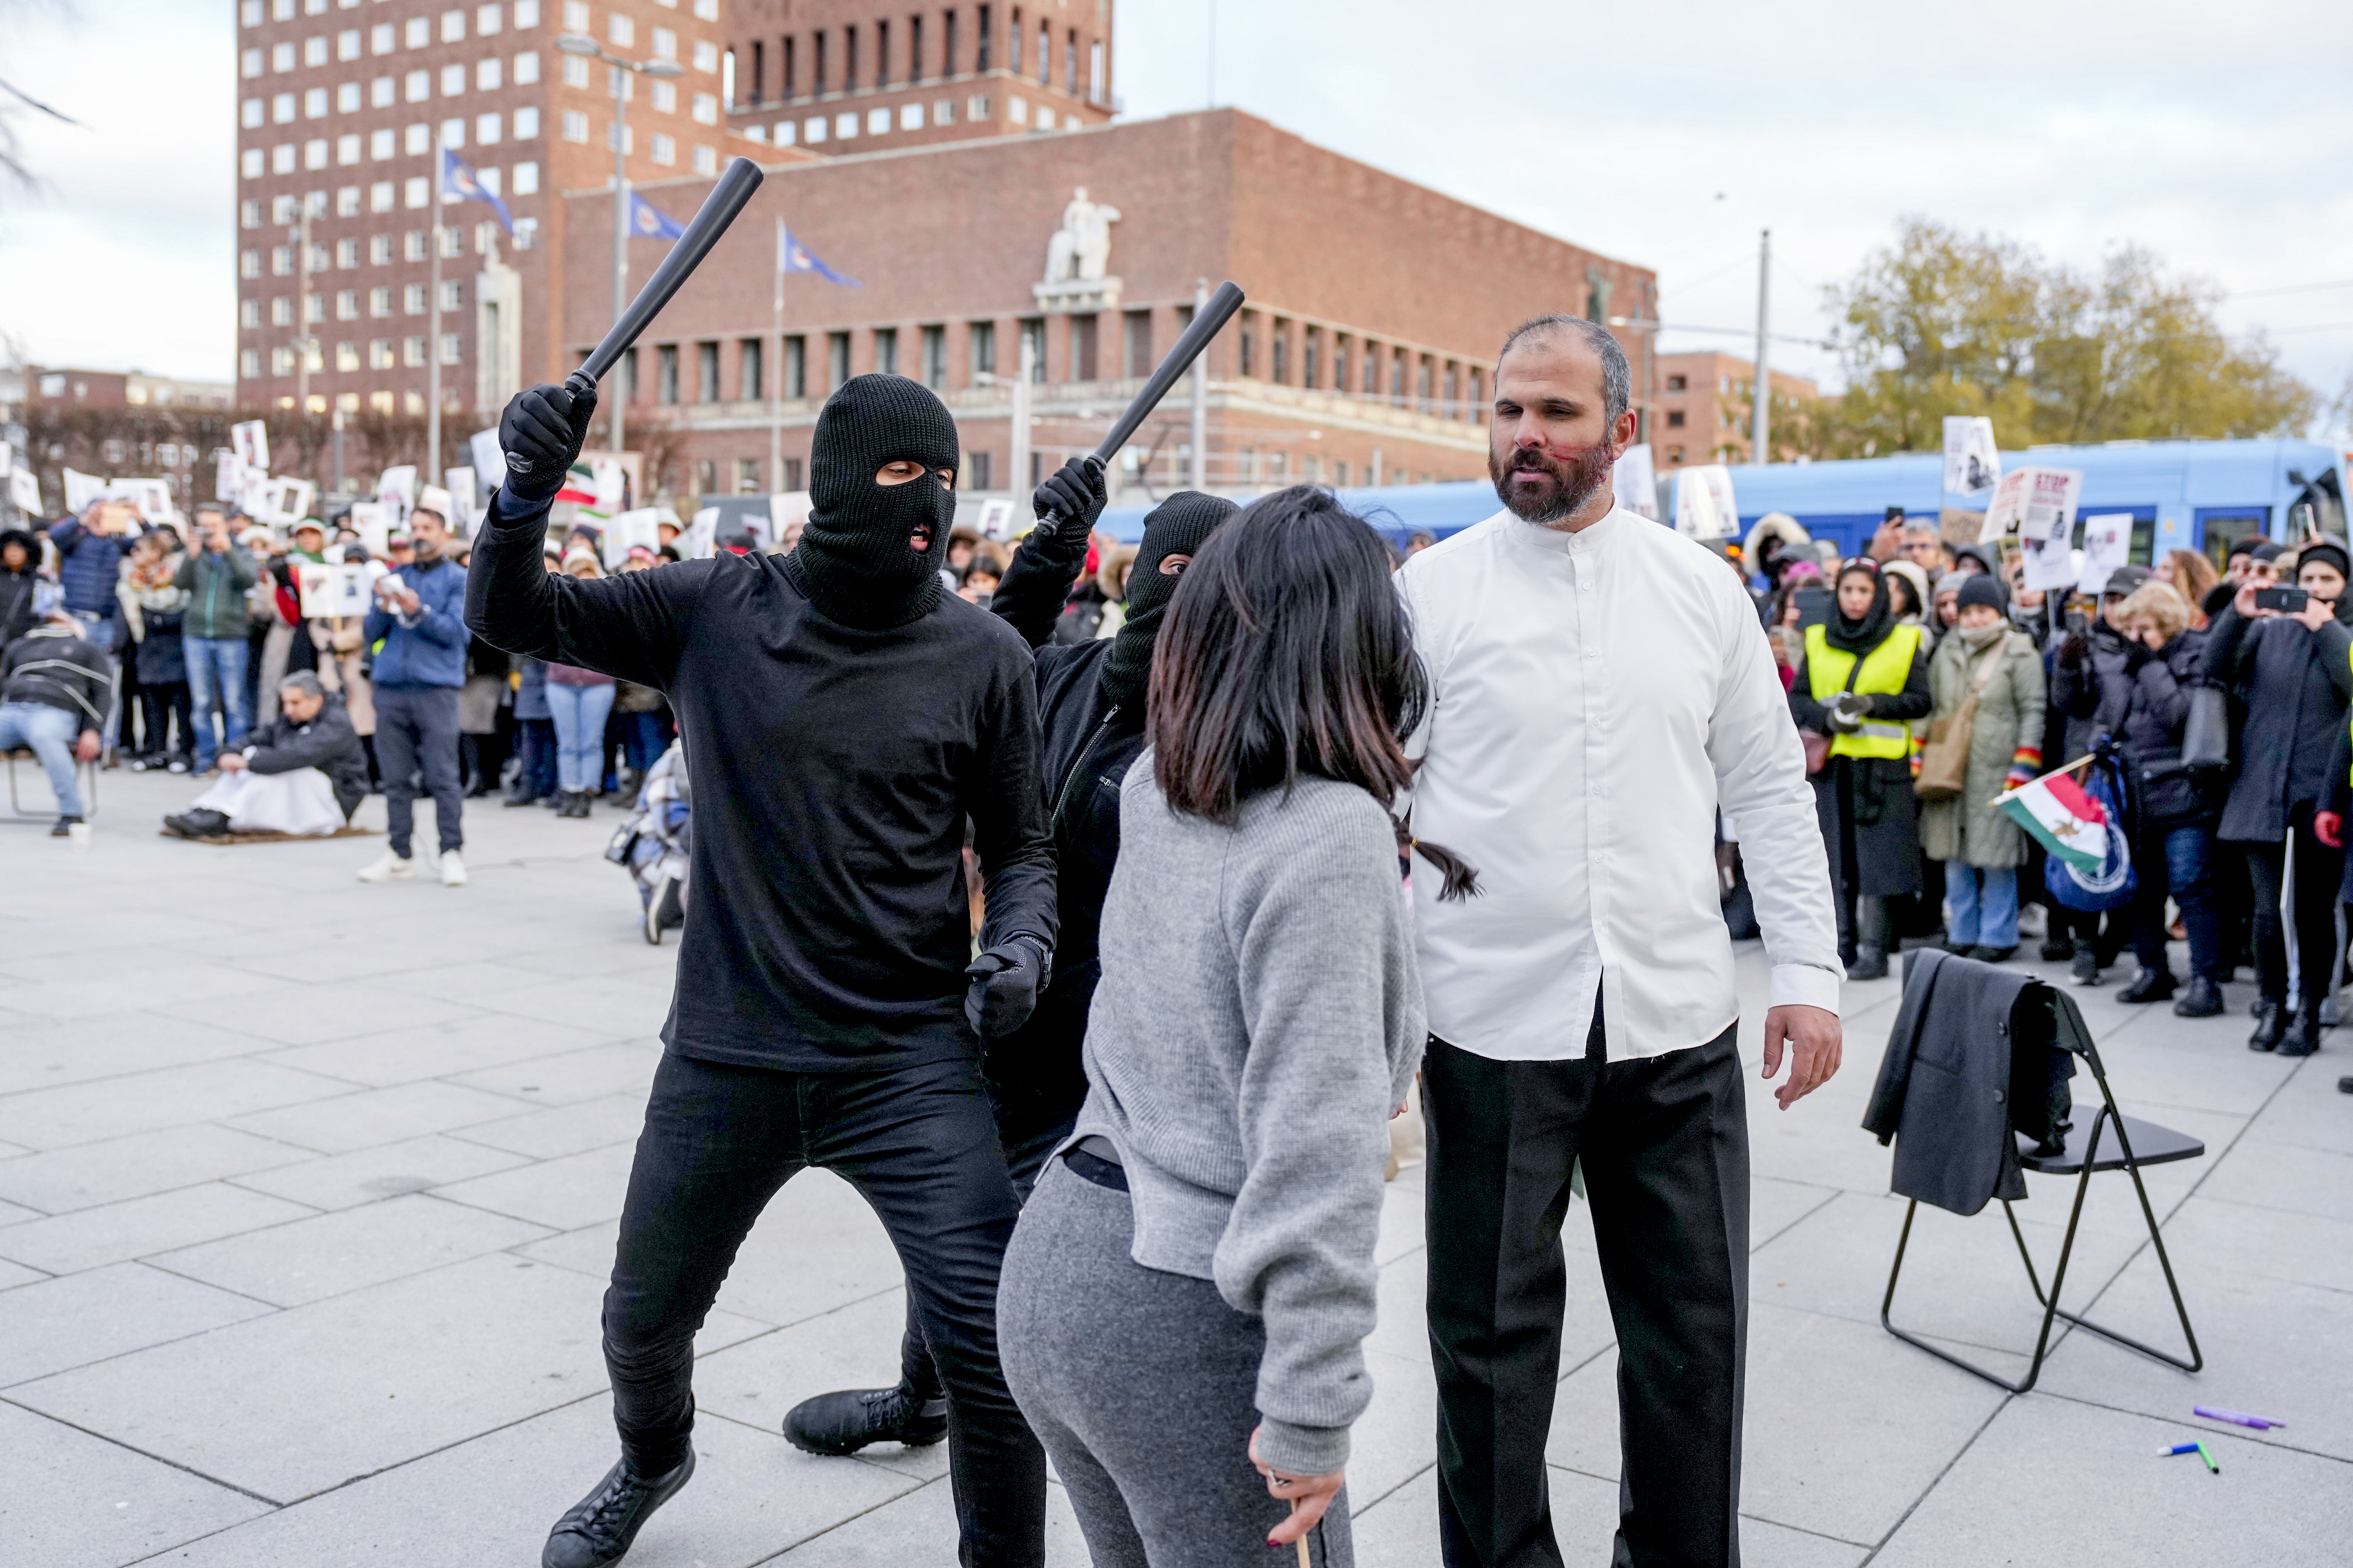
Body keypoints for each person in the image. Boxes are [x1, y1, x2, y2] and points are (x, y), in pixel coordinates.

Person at [474, 369, 1059, 1568]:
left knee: (995, 1352)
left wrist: (1021, 944)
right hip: (726, 1053)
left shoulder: (984, 653)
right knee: (640, 1324)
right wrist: (524, 489)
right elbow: (515, 613)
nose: (929, 505)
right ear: (836, 481)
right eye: (903, 475)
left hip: (907, 1062)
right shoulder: (713, 608)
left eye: (948, 482)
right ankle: (651, 1459)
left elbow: (1020, 843)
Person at [1395, 315, 1842, 1568]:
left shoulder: (1701, 590)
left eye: (1554, 414)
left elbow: (1764, 789)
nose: (1524, 437)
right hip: (1486, 1025)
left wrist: (1805, 975)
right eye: (1505, 413)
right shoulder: (1424, 597)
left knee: (1693, 1339)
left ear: (1623, 433)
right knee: (1484, 1348)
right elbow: (1374, 810)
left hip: (1675, 1024)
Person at [998, 486, 1432, 1566]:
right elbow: (1316, 1155)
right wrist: (1311, 1411)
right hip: (1183, 1306)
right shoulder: (1328, 836)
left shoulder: (1158, 785)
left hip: (1061, 1260)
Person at [780, 470, 1238, 1458]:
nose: (1180, 588)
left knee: (1032, 1254)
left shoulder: (1227, 732)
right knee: (956, 1220)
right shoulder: (1073, 676)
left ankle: (1027, 1430)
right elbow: (997, 654)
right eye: (1166, 562)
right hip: (1002, 1011)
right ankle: (924, 1393)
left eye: (1206, 573)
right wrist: (1046, 548)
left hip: (1111, 1049)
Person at [2205, 540, 2352, 1055]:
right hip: (2261, 789)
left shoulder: (2344, 633)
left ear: (2343, 587)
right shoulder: (2269, 632)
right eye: (2306, 580)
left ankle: (2309, 1012)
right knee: (2268, 911)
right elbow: (2214, 669)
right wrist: (2237, 616)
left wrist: (2325, 626)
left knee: (2313, 912)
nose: (2314, 590)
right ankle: (2272, 1006)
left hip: (2321, 795)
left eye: (2326, 582)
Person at [1788, 559, 1931, 980]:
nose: (1855, 599)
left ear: (1878, 596)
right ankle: (1841, 945)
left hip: (1882, 770)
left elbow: (1922, 701)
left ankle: (1875, 950)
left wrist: (1873, 703)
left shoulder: (1906, 641)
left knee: (1878, 863)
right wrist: (1826, 719)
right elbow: (1798, 699)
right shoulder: (1817, 639)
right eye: (1848, 590)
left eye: (1864, 591)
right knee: (1835, 859)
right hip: (1832, 768)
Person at [2103, 581, 2225, 1015]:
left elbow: (2179, 715)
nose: (2135, 638)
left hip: (2183, 793)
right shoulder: (2126, 664)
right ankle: (2153, 970)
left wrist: (2152, 666)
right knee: (2144, 891)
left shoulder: (2193, 655)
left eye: (2145, 628)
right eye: (2130, 629)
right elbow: (2111, 718)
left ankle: (2207, 981)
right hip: (2136, 793)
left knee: (2191, 887)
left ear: (2169, 625)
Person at [1919, 575, 2048, 961]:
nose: (1974, 619)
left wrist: (2024, 763)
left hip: (1997, 766)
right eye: (1967, 611)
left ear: (1999, 611)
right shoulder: (1946, 651)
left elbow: (2033, 710)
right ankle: (1962, 930)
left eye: (1983, 611)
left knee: (1996, 857)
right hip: (1949, 765)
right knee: (1954, 854)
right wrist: (1920, 752)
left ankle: (1998, 935)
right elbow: (1934, 705)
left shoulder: (2019, 651)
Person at [356, 506, 470, 887]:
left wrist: (417, 610)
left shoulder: (459, 578)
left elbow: (457, 633)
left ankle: (451, 851)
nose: (419, 534)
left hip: (436, 688)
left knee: (442, 776)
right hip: (391, 687)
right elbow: (372, 634)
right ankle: (399, 851)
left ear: (444, 533)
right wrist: (379, 604)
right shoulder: (397, 575)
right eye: (414, 527)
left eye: (427, 527)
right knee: (395, 777)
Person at [164, 670, 367, 838]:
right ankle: (208, 808)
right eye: (285, 703)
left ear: (317, 701)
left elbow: (296, 756)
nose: (288, 710)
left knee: (276, 770)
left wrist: (248, 763)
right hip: (305, 787)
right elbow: (259, 737)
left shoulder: (335, 724)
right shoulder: (293, 718)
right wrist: (229, 754)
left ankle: (228, 817)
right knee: (252, 755)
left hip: (335, 796)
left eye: (295, 703)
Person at [0, 608, 108, 834]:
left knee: (44, 735)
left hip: (54, 712)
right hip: (11, 710)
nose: (51, 621)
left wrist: (93, 731)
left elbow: (103, 692)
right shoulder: (19, 647)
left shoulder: (86, 649)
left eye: (58, 618)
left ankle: (71, 812)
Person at [173, 503, 259, 774]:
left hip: (231, 634)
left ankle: (232, 757)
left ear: (225, 526)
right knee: (201, 702)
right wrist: (191, 555)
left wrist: (229, 551)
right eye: (204, 526)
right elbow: (180, 584)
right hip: (196, 634)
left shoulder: (241, 551)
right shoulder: (196, 554)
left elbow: (249, 579)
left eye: (214, 526)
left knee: (235, 701)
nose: (209, 532)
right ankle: (207, 757)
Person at [543, 549, 620, 819]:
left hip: (597, 683)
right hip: (561, 681)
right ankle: (569, 790)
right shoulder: (555, 601)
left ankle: (587, 791)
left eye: (588, 574)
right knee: (567, 742)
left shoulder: (610, 604)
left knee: (591, 741)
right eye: (577, 574)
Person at [121, 528, 191, 770]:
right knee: (151, 700)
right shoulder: (131, 579)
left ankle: (184, 752)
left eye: (139, 549)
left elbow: (181, 604)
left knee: (181, 702)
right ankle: (155, 750)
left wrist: (159, 618)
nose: (134, 554)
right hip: (147, 645)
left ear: (156, 552)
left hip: (176, 642)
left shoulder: (177, 575)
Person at [0, 526, 41, 647]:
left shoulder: (38, 581)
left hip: (25, 643)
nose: (13, 552)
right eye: (9, 548)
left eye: (18, 548)